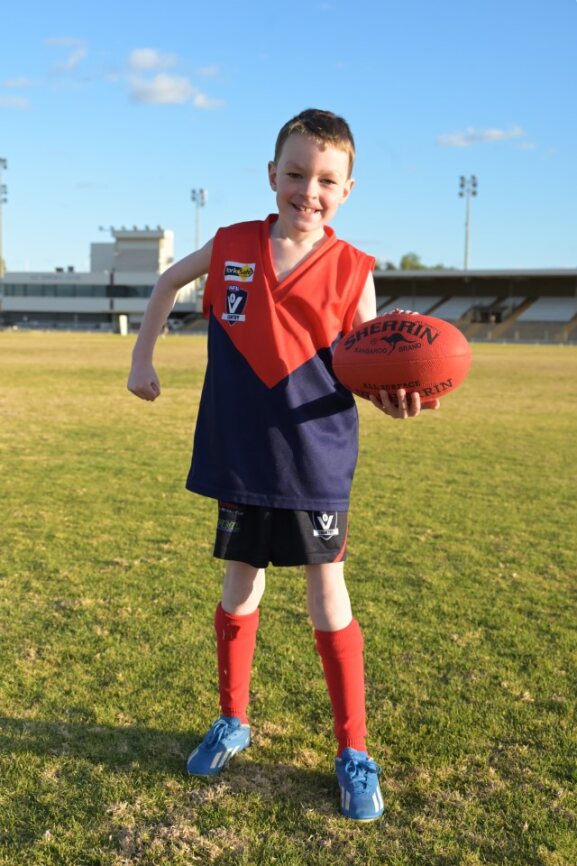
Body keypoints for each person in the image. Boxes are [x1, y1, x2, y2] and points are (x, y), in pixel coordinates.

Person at [128, 108, 439, 822]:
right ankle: (232, 719)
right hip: (242, 451)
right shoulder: (232, 244)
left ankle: (353, 750)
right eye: (296, 174)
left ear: (347, 189)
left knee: (327, 591)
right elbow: (167, 283)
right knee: (240, 583)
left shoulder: (355, 270)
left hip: (315, 456)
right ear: (272, 175)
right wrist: (143, 358)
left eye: (326, 180)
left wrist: (397, 398)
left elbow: (368, 363)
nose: (309, 191)